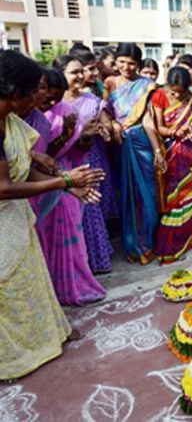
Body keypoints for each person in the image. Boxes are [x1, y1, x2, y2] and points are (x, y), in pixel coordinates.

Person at [0, 50, 104, 380]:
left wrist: (65, 187)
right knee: (10, 293)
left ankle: (41, 340)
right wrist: (64, 180)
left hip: (15, 220)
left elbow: (21, 171)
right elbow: (2, 187)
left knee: (31, 282)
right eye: (35, 91)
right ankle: (14, 356)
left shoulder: (10, 120)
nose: (41, 98)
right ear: (15, 93)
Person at [31, 67, 107, 305]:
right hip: (35, 183)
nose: (50, 101)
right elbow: (37, 157)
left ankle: (72, 285)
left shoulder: (67, 112)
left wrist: (84, 137)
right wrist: (62, 139)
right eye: (46, 94)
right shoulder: (25, 116)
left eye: (56, 96)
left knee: (69, 234)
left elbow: (75, 153)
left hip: (63, 175)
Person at [53, 55, 116, 274]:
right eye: (73, 72)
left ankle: (95, 260)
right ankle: (71, 267)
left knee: (89, 209)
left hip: (88, 159)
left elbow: (104, 127)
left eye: (82, 71)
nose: (80, 76)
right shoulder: (52, 103)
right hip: (58, 165)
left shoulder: (91, 100)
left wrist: (105, 130)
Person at [105, 43, 159, 264]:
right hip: (120, 144)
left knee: (146, 193)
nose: (126, 67)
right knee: (126, 193)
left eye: (132, 63)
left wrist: (157, 149)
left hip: (142, 143)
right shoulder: (109, 83)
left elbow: (148, 118)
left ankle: (147, 242)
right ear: (116, 62)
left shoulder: (147, 85)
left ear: (138, 64)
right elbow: (103, 112)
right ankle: (131, 242)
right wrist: (114, 125)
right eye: (122, 62)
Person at [150, 67, 192, 263]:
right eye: (173, 91)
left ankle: (189, 236)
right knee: (173, 198)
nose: (177, 95)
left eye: (182, 92)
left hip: (190, 153)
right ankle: (170, 242)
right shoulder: (159, 96)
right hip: (170, 151)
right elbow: (159, 128)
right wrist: (176, 132)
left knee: (189, 196)